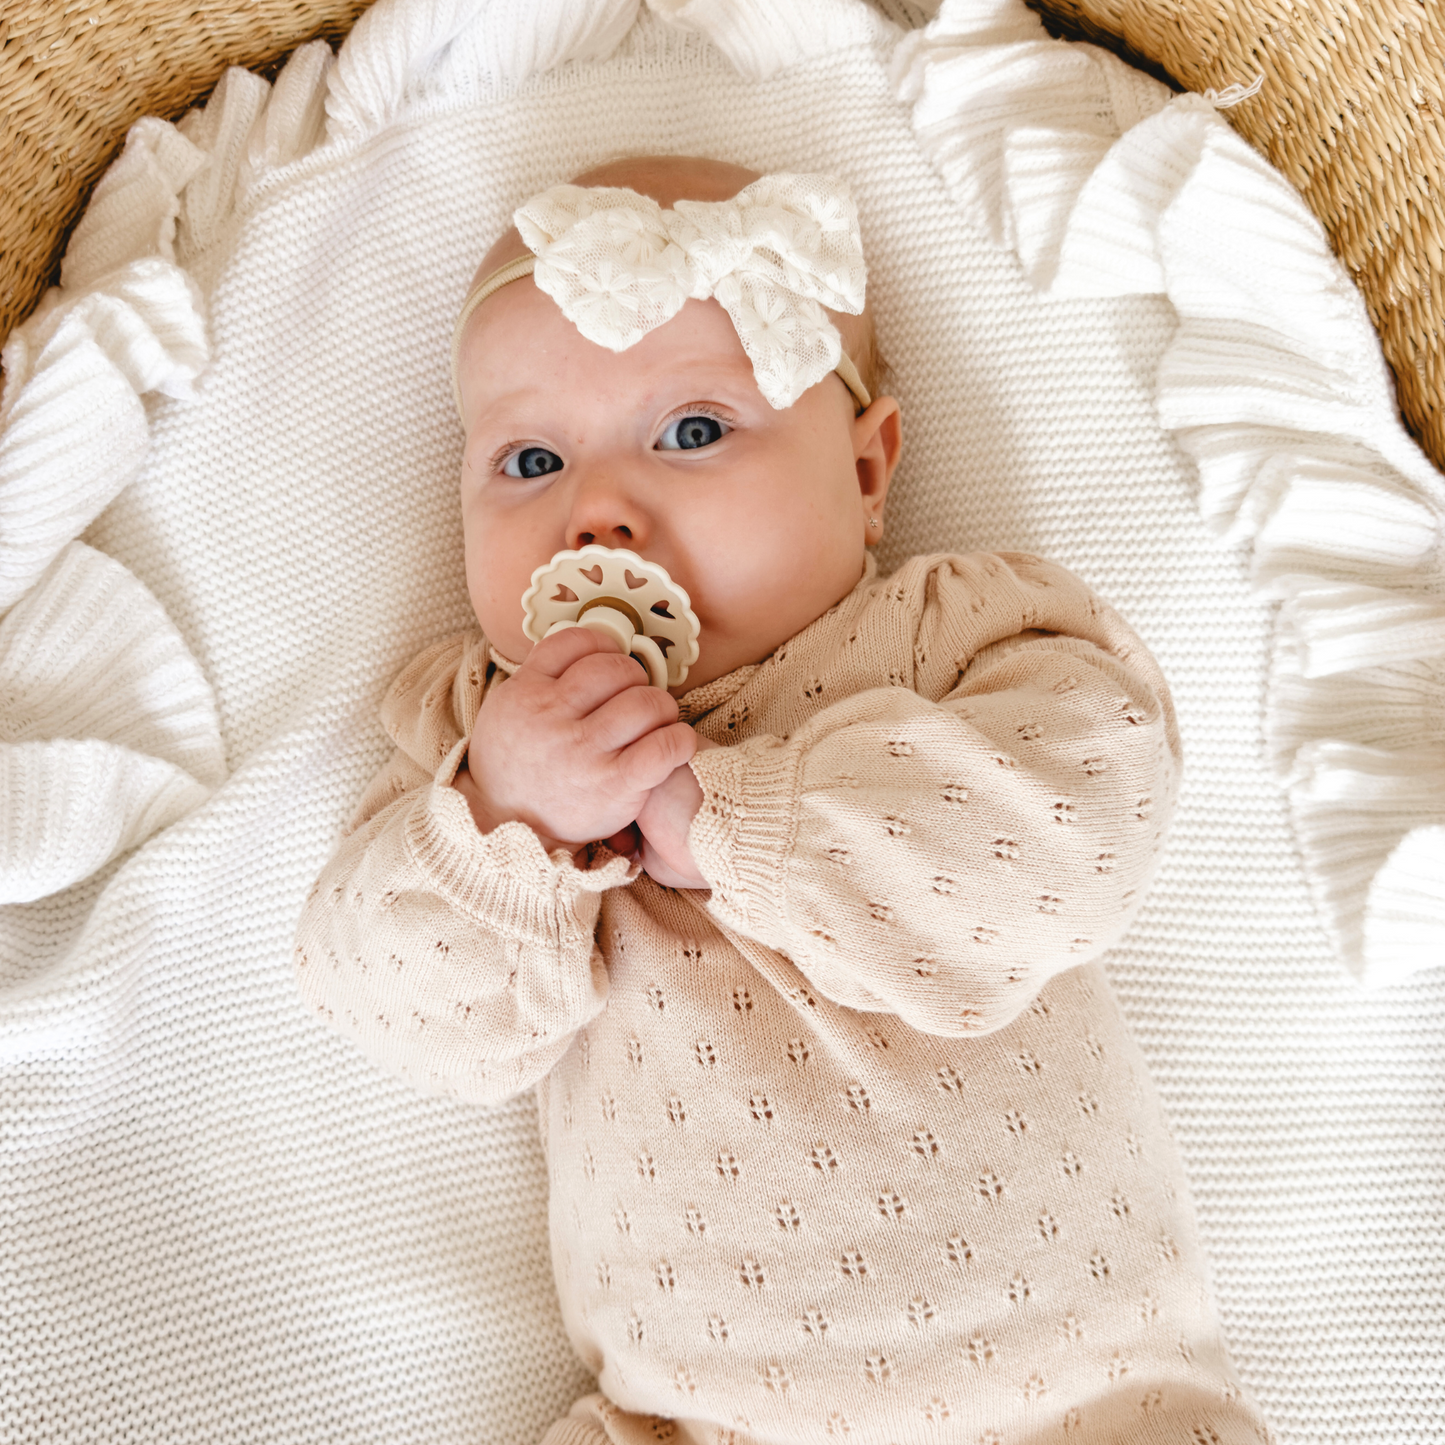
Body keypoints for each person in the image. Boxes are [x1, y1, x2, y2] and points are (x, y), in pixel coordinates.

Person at [294, 154, 1272, 1445]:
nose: (597, 515)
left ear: (867, 476)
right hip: (693, 1419)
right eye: (529, 459)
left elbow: (1088, 802)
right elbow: (392, 1003)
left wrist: (748, 825)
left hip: (1085, 1389)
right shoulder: (473, 735)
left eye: (693, 431)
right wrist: (507, 825)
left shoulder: (954, 634)